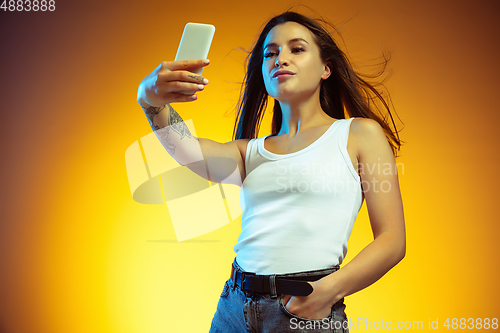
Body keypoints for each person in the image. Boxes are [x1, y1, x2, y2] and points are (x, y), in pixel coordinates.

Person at [137, 10, 405, 333]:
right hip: (234, 308)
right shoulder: (249, 152)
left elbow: (392, 241)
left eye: (297, 49)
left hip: (304, 309)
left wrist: (327, 292)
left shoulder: (359, 135)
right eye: (271, 53)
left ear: (326, 69)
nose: (280, 59)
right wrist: (150, 102)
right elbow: (189, 150)